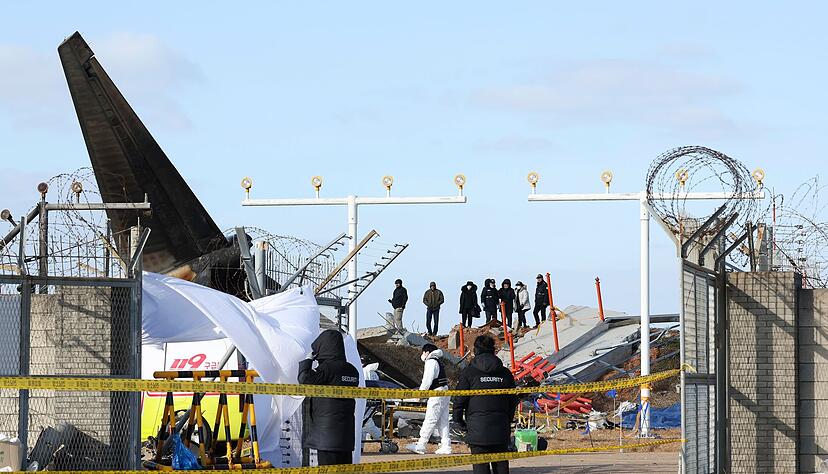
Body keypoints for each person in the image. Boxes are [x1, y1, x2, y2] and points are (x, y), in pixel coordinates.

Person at [452, 335, 518, 474]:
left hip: (477, 429)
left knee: (480, 468)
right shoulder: (505, 373)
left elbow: (459, 399)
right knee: (501, 467)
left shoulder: (469, 373)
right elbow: (513, 400)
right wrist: (508, 420)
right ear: (493, 350)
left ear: (475, 351)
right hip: (500, 428)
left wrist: (458, 420)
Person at [297, 329, 361, 466]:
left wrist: (308, 361)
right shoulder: (352, 371)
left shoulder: (326, 369)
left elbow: (304, 378)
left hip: (327, 437)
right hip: (346, 436)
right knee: (345, 469)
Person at [405, 343, 452, 455]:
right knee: (443, 421)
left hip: (437, 394)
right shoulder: (438, 361)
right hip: (444, 392)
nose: (422, 355)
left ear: (427, 352)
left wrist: (420, 395)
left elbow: (427, 381)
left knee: (430, 419)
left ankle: (421, 444)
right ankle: (446, 445)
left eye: (423, 352)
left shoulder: (430, 361)